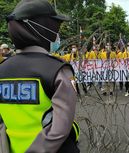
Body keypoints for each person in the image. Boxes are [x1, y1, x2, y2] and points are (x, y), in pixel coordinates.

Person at [0, 0, 80, 153]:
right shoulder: (57, 70)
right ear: (45, 29)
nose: (57, 35)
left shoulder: (2, 69)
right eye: (56, 28)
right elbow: (60, 129)